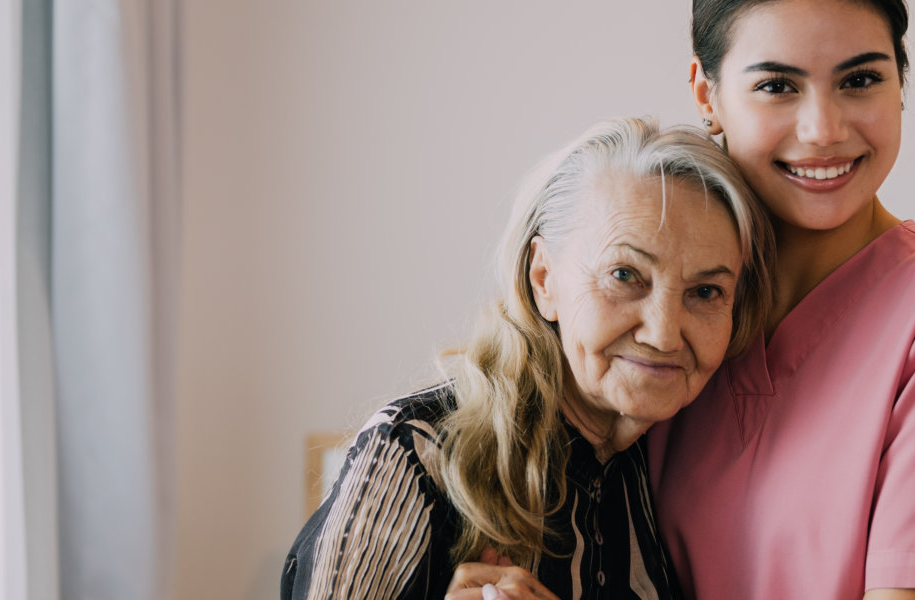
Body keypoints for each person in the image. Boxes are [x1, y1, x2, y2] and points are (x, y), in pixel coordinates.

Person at [648, 1, 915, 599]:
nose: (823, 130)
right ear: (707, 96)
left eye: (860, 80)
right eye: (777, 85)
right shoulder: (657, 308)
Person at [281, 116, 774, 600]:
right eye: (625, 275)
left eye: (706, 291)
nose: (665, 334)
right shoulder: (415, 453)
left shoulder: (673, 468)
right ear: (544, 280)